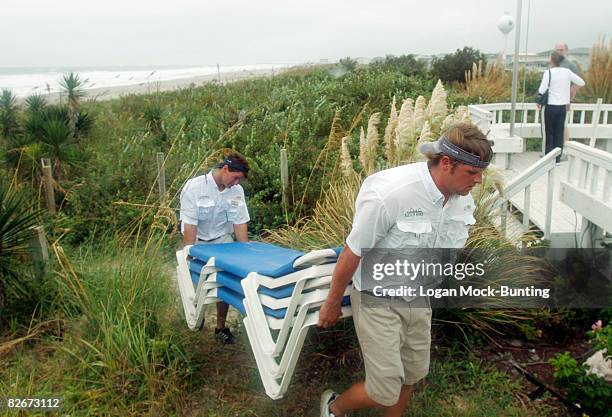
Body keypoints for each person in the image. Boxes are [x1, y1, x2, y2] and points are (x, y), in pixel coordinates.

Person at [318, 123, 493, 417]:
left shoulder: (462, 197)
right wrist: (332, 301)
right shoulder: (392, 193)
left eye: (481, 172)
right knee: (383, 390)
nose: (479, 180)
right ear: (447, 163)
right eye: (472, 172)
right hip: (379, 299)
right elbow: (353, 250)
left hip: (420, 298)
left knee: (412, 375)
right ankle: (334, 408)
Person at [180, 151, 250, 344]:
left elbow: (240, 222)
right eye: (236, 178)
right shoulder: (194, 188)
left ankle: (220, 326)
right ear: (225, 169)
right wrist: (190, 256)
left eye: (240, 180)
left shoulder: (237, 191)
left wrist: (245, 254)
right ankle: (197, 315)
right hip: (199, 241)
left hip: (223, 240)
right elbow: (189, 226)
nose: (237, 183)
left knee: (225, 280)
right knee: (200, 282)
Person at [537, 51, 585, 165]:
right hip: (562, 107)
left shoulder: (548, 73)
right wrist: (569, 91)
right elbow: (581, 82)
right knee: (559, 132)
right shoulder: (567, 72)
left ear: (552, 61)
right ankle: (557, 159)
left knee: (550, 133)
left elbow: (542, 90)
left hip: (550, 107)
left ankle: (549, 158)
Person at [554, 42, 579, 146]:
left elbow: (576, 84)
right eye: (557, 50)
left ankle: (565, 149)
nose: (559, 52)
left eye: (561, 50)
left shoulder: (570, 66)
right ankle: (554, 150)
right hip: (552, 100)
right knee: (553, 125)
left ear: (566, 51)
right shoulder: (553, 64)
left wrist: (569, 99)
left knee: (563, 125)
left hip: (564, 101)